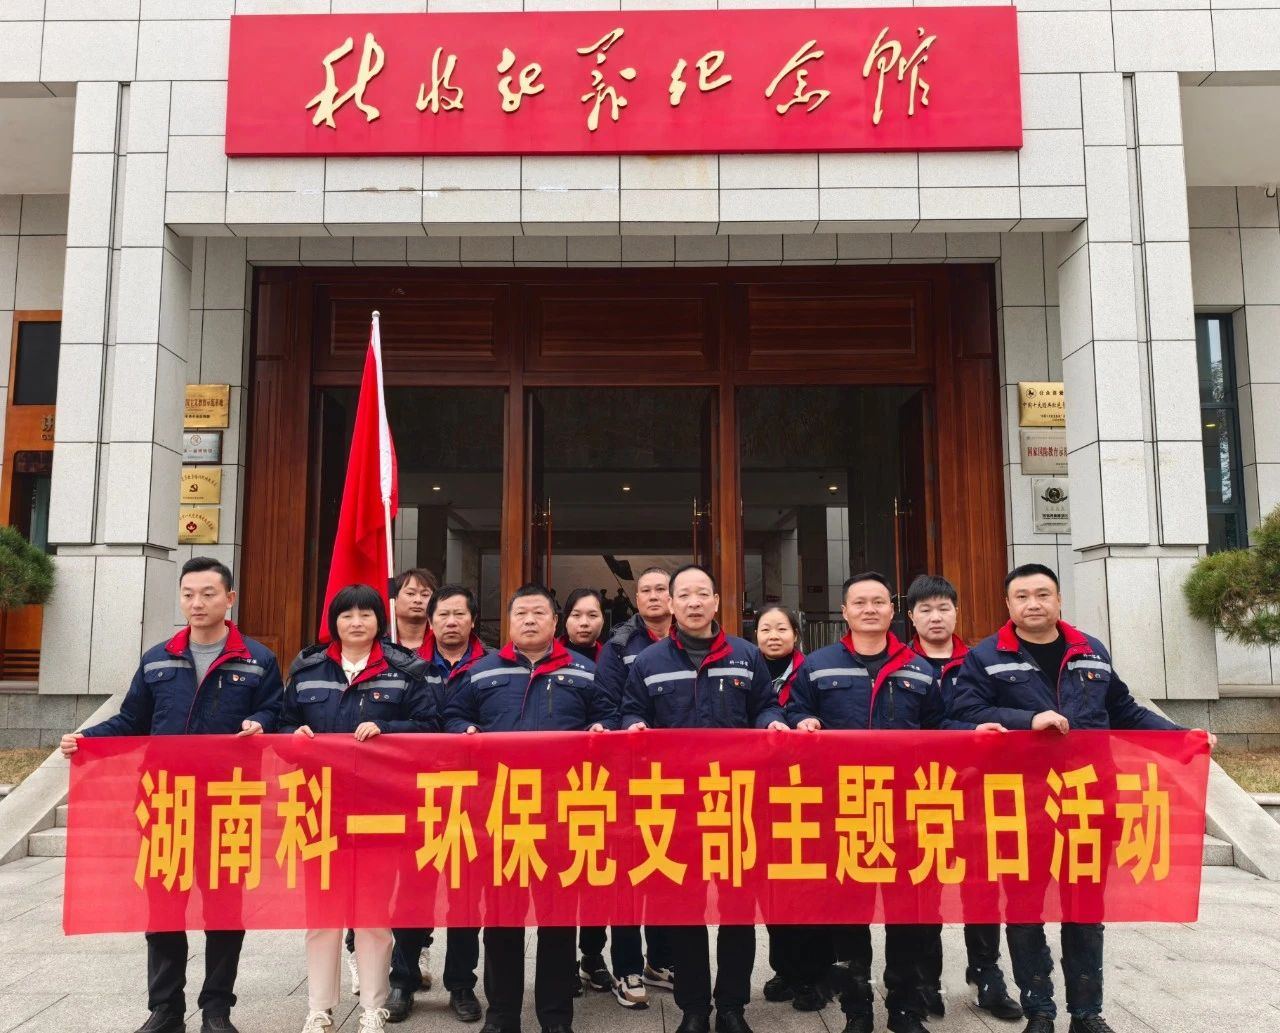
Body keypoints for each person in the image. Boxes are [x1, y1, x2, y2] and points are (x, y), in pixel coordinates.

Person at [949, 563, 1216, 1033]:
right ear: (1008, 605)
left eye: (1042, 594)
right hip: (1021, 804)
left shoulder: (1090, 651)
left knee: (1085, 911)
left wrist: (1181, 737)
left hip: (1088, 801)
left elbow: (1124, 711)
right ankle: (1040, 1012)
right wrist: (1026, 720)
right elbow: (966, 711)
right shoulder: (986, 656)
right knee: (1025, 909)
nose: (1033, 604)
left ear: (1058, 600)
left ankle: (1087, 1014)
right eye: (1022, 597)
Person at [59, 556, 284, 1033]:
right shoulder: (158, 657)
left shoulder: (257, 659)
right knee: (164, 907)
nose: (197, 603)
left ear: (229, 598)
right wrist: (87, 739)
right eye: (188, 594)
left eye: (208, 594)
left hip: (229, 803)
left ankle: (217, 1010)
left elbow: (277, 713)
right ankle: (165, 1009)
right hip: (167, 802)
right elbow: (132, 720)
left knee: (224, 909)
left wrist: (260, 722)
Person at [787, 572, 1005, 1033]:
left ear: (892, 610)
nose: (869, 609)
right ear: (845, 612)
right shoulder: (818, 665)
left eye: (878, 602)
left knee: (911, 917)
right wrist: (803, 720)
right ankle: (857, 1009)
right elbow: (794, 711)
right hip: (845, 810)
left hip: (907, 812)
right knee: (849, 917)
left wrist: (973, 732)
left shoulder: (918, 669)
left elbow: (939, 725)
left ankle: (904, 1009)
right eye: (859, 602)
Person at [621, 564, 787, 1033]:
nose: (694, 603)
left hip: (735, 802)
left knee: (738, 910)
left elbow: (765, 705)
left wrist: (772, 722)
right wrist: (633, 726)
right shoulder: (649, 661)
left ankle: (732, 1006)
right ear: (671, 605)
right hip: (675, 805)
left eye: (702, 594)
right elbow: (631, 711)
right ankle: (693, 1008)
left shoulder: (746, 655)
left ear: (716, 602)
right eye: (685, 595)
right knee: (684, 910)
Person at [444, 584, 613, 1033]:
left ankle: (556, 1018)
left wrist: (602, 727)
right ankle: (502, 1016)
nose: (530, 620)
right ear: (509, 621)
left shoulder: (584, 671)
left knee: (558, 922)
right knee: (502, 921)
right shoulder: (481, 671)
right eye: (521, 613)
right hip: (501, 814)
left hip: (562, 814)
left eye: (540, 613)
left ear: (555, 622)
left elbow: (610, 716)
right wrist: (464, 731)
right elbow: (452, 717)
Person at [282, 584, 438, 1033]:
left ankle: (373, 1007)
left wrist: (387, 728)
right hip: (320, 808)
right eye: (346, 615)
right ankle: (319, 1008)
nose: (356, 622)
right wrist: (293, 736)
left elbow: (430, 727)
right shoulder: (308, 670)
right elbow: (283, 723)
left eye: (365, 615)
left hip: (379, 808)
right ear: (334, 622)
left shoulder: (404, 671)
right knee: (322, 917)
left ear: (379, 621)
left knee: (372, 916)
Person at [904, 574, 1021, 1023]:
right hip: (922, 792)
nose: (936, 617)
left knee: (982, 884)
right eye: (926, 610)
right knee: (925, 885)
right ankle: (925, 979)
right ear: (911, 616)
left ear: (957, 612)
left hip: (979, 791)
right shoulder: (899, 666)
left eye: (944, 608)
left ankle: (986, 974)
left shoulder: (982, 662)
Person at [387, 584, 488, 1024]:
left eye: (459, 614)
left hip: (476, 797)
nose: (451, 622)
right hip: (418, 795)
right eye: (442, 615)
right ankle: (403, 980)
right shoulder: (406, 667)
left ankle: (461, 984)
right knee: (413, 891)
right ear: (430, 622)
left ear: (472, 620)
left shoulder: (493, 666)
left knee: (466, 895)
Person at [588, 566, 677, 1008]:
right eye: (646, 590)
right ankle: (626, 966)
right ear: (636, 599)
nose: (654, 596)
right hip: (629, 775)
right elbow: (605, 704)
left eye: (662, 589)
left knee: (666, 871)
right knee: (627, 875)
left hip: (680, 777)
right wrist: (629, 727)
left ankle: (660, 960)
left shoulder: (694, 639)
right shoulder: (619, 646)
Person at [753, 606, 830, 1013]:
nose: (773, 635)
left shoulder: (812, 671)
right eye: (765, 629)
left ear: (796, 634)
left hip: (811, 794)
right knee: (773, 887)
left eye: (781, 628)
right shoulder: (746, 671)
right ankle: (784, 968)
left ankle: (815, 973)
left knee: (811, 887)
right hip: (763, 795)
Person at [390, 566, 438, 652]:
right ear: (394, 599)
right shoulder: (380, 643)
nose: (418, 600)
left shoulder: (442, 642)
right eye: (410, 593)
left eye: (425, 595)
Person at [559, 588, 606, 663]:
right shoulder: (546, 656)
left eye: (592, 615)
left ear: (603, 620)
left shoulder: (612, 659)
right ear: (566, 620)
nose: (584, 623)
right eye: (576, 615)